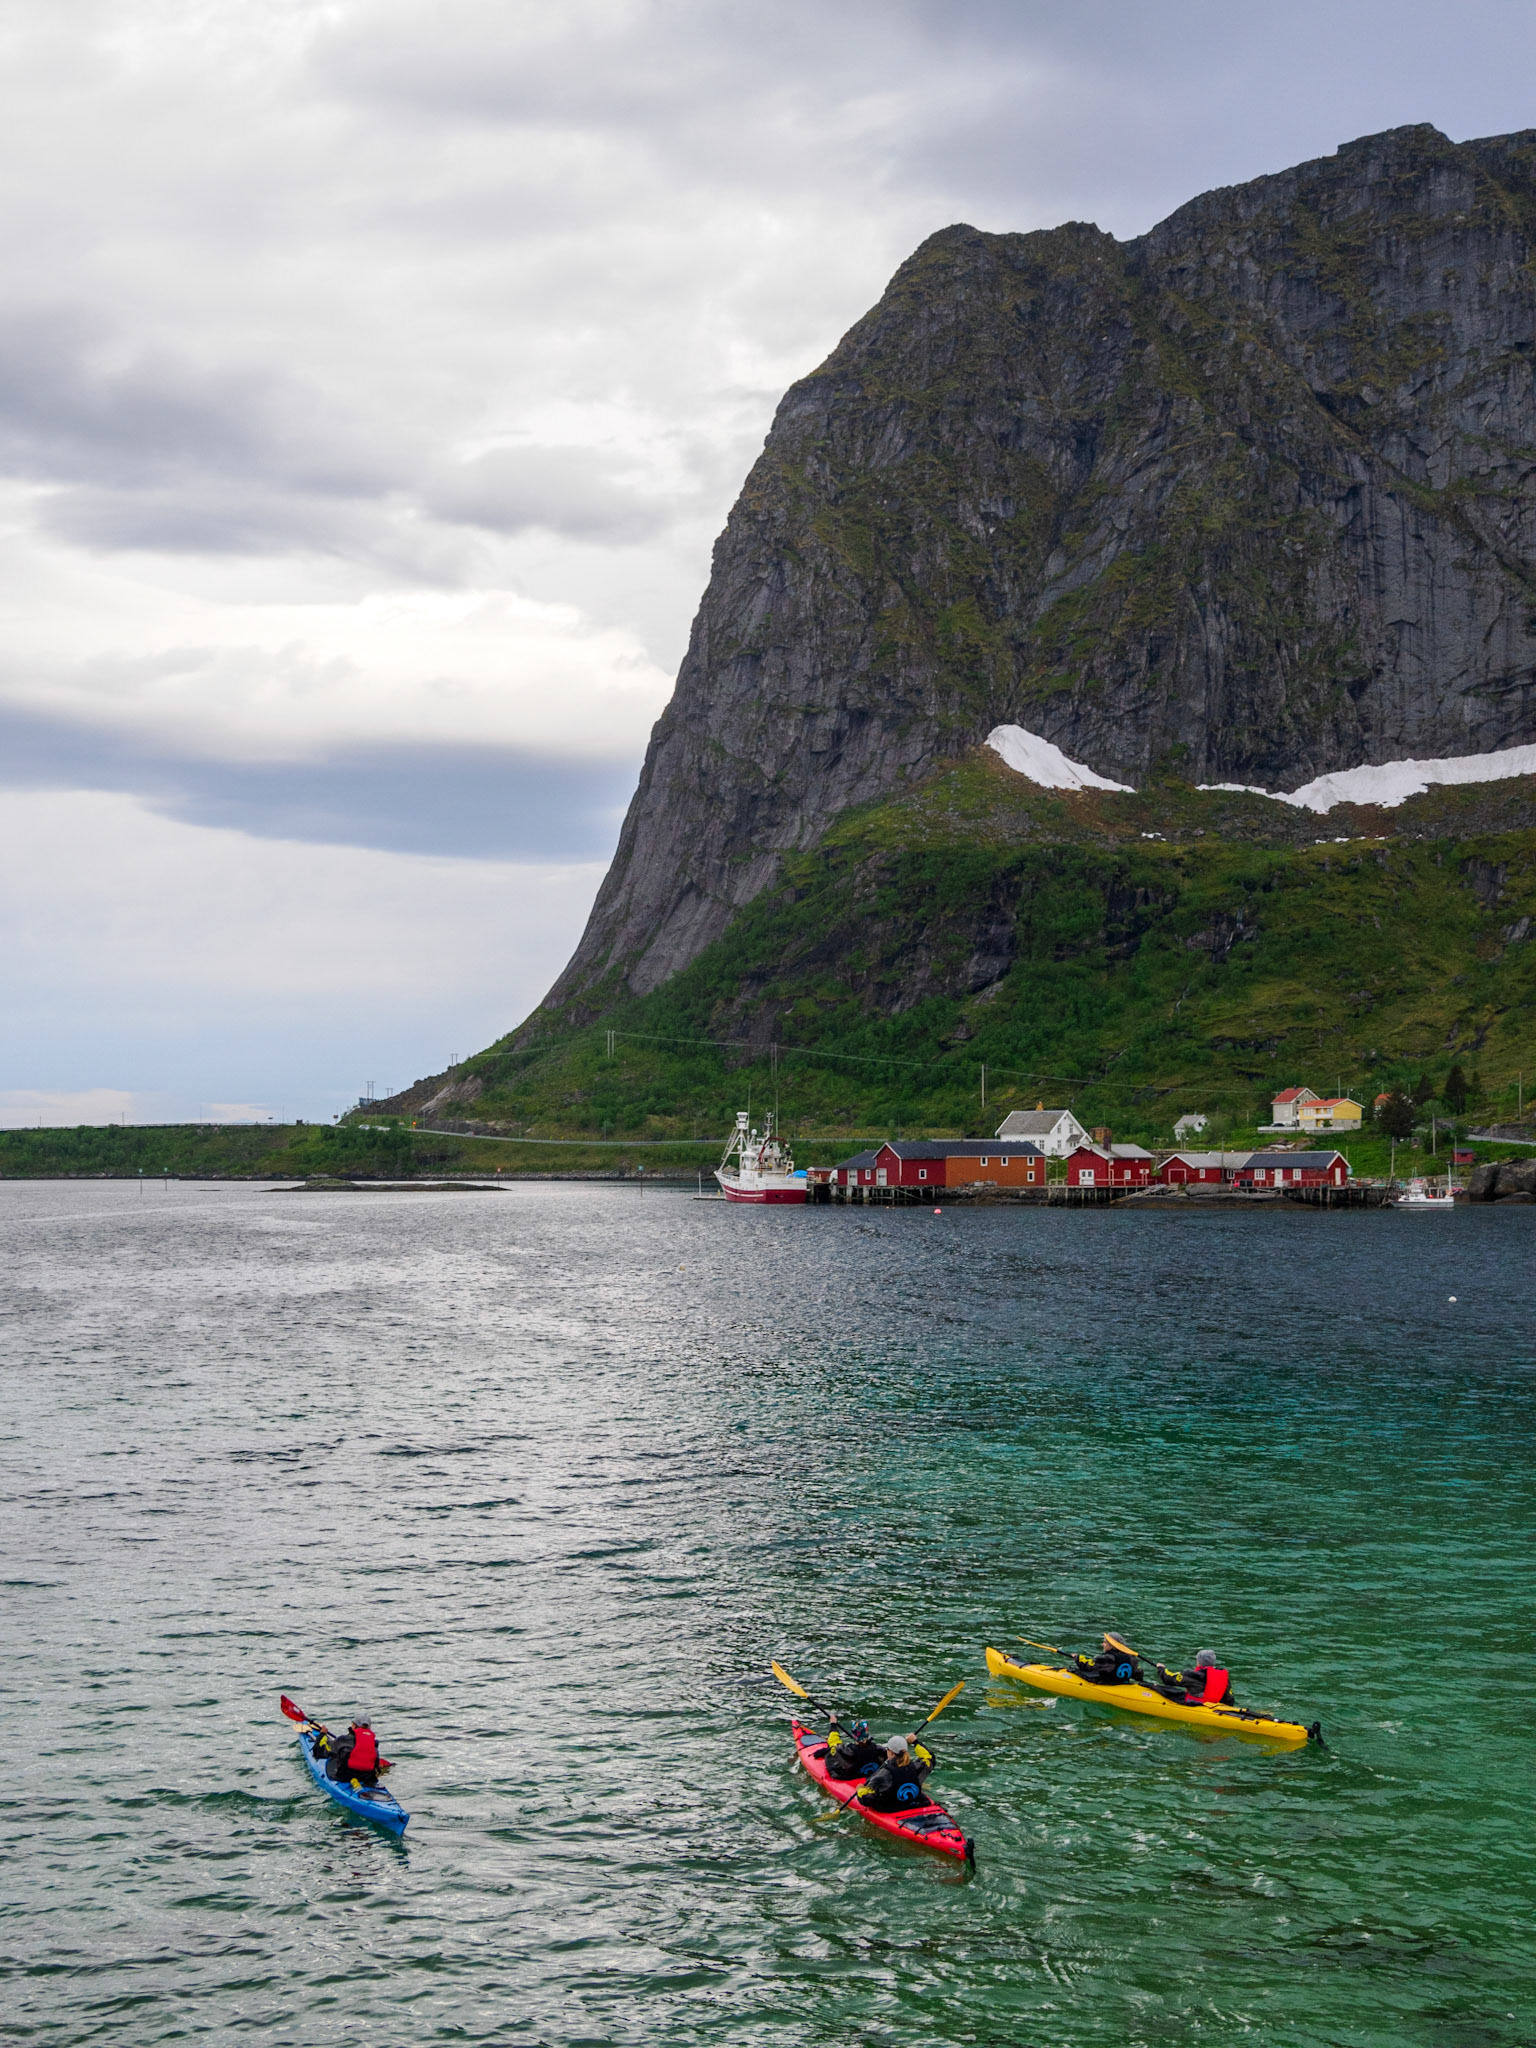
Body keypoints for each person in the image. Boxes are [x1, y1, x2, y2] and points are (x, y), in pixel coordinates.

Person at [856, 1735, 936, 1812]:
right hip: (915, 1804)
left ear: (890, 1752)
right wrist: (915, 1742)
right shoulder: (917, 1767)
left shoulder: (883, 1773)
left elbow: (867, 1800)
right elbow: (930, 1758)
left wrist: (860, 1790)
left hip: (891, 1809)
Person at [318, 1717, 391, 1786]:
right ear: (369, 1728)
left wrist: (322, 1734)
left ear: (353, 1726)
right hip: (368, 1779)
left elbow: (319, 1753)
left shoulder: (343, 1740)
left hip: (344, 1778)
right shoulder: (374, 1743)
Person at [1154, 1650, 1235, 1707]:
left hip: (1195, 1704)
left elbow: (1170, 1679)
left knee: (1163, 1689)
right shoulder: (1223, 1677)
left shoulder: (1194, 1675)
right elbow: (1229, 1699)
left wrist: (1161, 1669)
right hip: (1213, 1706)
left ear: (1199, 1662)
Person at [1070, 1635, 1143, 1686]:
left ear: (1112, 1645)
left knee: (1076, 1671)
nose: (1102, 1644)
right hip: (1123, 1684)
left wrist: (1077, 1658)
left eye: (1105, 1642)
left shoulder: (1107, 1658)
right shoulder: (1132, 1658)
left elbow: (1087, 1666)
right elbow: (1139, 1676)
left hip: (1107, 1684)